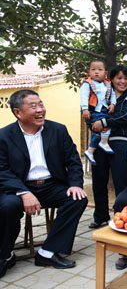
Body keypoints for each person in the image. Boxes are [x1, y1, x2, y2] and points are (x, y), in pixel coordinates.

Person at [0, 90, 88, 278]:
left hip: (51, 184)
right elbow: (2, 170)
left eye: (41, 104)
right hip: (19, 186)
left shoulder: (58, 130)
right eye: (33, 106)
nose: (40, 110)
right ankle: (5, 254)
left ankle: (47, 252)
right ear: (18, 112)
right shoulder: (4, 136)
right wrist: (23, 192)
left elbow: (73, 160)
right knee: (7, 206)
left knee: (77, 199)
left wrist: (75, 184)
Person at [88, 65, 127, 229]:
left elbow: (126, 117)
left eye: (126, 78)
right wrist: (95, 124)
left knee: (121, 180)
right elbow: (90, 114)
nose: (123, 81)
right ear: (112, 79)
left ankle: (122, 216)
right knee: (98, 180)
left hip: (120, 142)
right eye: (119, 78)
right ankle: (101, 216)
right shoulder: (101, 95)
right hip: (98, 142)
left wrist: (104, 122)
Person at [81, 59, 117, 165]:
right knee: (103, 126)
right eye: (93, 70)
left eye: (100, 70)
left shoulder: (108, 84)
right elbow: (84, 96)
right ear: (89, 72)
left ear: (105, 73)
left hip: (104, 109)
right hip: (93, 110)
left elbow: (113, 95)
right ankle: (103, 142)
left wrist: (113, 104)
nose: (96, 72)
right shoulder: (87, 83)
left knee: (99, 130)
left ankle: (90, 151)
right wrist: (85, 109)